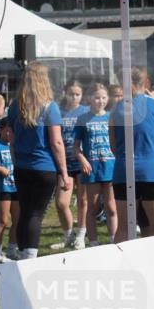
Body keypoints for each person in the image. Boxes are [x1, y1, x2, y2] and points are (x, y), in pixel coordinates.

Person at [4, 62, 72, 259]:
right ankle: (30, 256)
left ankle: (22, 251)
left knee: (25, 212)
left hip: (22, 166)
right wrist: (65, 173)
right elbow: (56, 142)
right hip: (44, 167)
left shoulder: (15, 106)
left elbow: (12, 139)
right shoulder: (50, 108)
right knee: (36, 213)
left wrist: (17, 161)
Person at [110, 66, 154, 242]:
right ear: (144, 82)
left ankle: (122, 265)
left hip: (124, 170)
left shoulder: (116, 109)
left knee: (124, 228)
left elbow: (113, 144)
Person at [73, 84, 117, 246]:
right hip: (92, 169)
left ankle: (114, 240)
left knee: (111, 207)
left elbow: (117, 142)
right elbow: (75, 147)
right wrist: (82, 159)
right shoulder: (83, 119)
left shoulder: (111, 117)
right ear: (89, 99)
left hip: (110, 167)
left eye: (104, 97)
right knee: (92, 207)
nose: (100, 101)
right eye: (97, 97)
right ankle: (93, 242)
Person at [52, 80, 89, 249]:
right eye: (71, 94)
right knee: (61, 202)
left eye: (78, 94)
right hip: (64, 164)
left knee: (83, 200)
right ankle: (68, 234)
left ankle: (81, 235)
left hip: (82, 162)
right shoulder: (58, 111)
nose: (74, 97)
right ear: (65, 92)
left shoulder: (86, 111)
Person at [0, 116, 19, 262]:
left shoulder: (17, 145)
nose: (10, 134)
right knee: (3, 221)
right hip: (3, 188)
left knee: (17, 220)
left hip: (17, 187)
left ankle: (12, 249)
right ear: (1, 130)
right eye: (8, 131)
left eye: (13, 131)